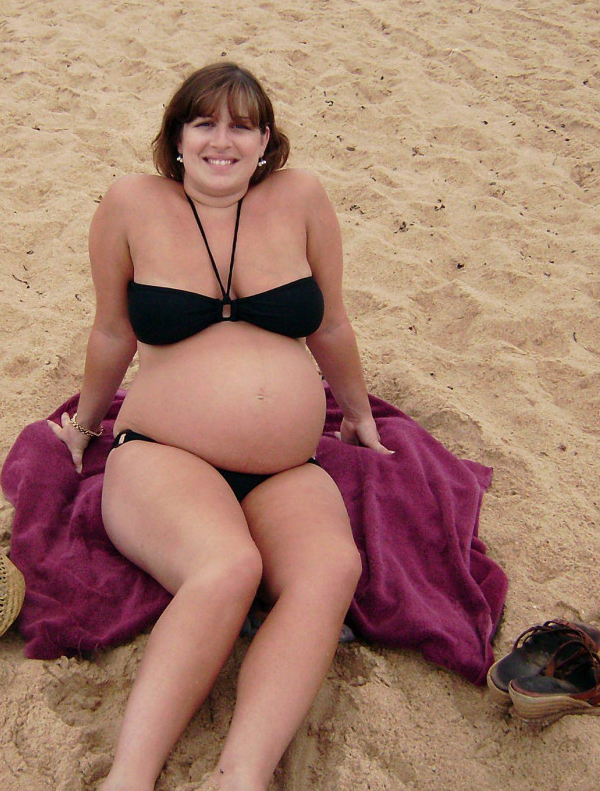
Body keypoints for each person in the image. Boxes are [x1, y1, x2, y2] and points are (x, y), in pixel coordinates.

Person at [49, 62, 390, 791]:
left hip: (287, 467)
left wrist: (358, 413)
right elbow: (112, 333)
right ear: (176, 138)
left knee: (331, 569)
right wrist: (82, 426)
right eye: (205, 123)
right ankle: (129, 779)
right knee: (227, 568)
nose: (222, 140)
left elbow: (329, 320)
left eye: (242, 125)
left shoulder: (300, 197)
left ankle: (240, 776)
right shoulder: (130, 203)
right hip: (166, 454)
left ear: (266, 141)